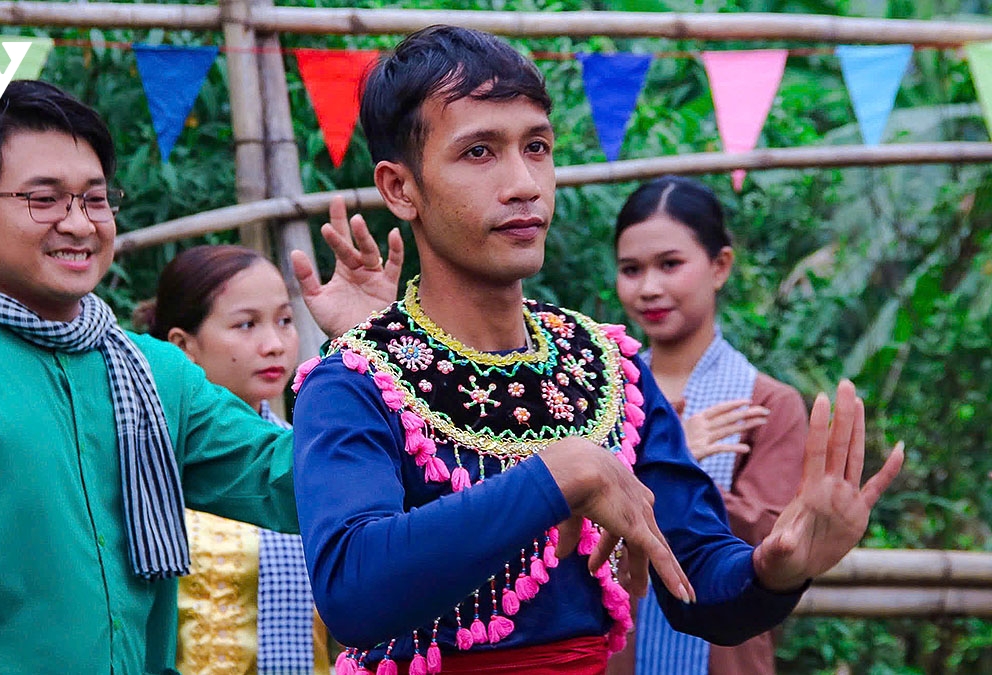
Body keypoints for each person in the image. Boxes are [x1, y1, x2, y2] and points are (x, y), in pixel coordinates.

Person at [290, 25, 903, 674]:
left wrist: (776, 567)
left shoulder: (608, 370)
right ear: (399, 188)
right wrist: (561, 474)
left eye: (537, 147)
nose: (524, 182)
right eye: (479, 152)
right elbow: (352, 590)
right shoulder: (355, 382)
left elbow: (699, 584)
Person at [0, 80, 397, 674]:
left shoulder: (155, 374)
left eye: (95, 199)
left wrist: (370, 354)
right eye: (43, 200)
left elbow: (297, 482)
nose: (78, 224)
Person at [606, 176, 809, 675]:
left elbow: (768, 540)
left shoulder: (770, 404)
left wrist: (656, 473)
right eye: (631, 269)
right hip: (612, 651)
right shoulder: (605, 389)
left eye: (670, 264)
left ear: (720, 267)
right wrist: (677, 455)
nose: (649, 287)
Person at [134, 244, 328, 675]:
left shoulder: (309, 458)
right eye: (246, 325)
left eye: (285, 321)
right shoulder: (151, 465)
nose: (275, 344)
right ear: (183, 346)